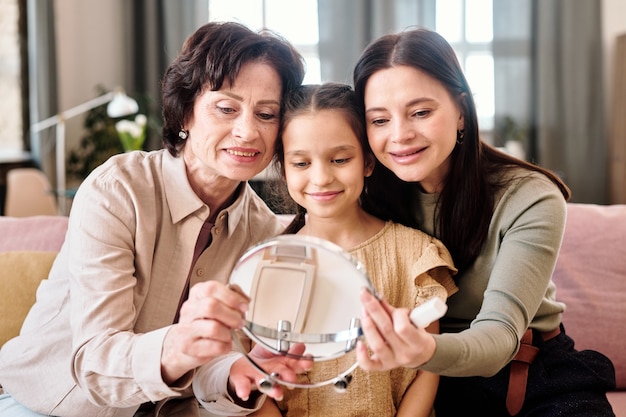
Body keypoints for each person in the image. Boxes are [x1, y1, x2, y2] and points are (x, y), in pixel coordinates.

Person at [0, 21, 312, 417]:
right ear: (185, 113)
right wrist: (178, 344)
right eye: (226, 108)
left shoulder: (266, 232)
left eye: (267, 114)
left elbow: (212, 374)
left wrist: (239, 373)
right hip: (45, 404)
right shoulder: (118, 191)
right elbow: (96, 360)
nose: (248, 131)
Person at [352, 27, 617, 416]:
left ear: (461, 110)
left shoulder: (529, 196)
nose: (400, 135)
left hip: (528, 370)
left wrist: (423, 350)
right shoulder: (365, 196)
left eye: (421, 112)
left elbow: (499, 335)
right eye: (379, 120)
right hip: (423, 381)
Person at [237, 83, 458, 417]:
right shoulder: (267, 264)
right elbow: (256, 380)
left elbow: (429, 367)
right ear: (284, 170)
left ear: (368, 162)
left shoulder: (414, 254)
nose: (322, 177)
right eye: (301, 163)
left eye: (339, 159)